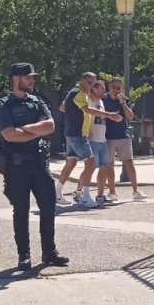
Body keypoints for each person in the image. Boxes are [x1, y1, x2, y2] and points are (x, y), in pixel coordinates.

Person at [0, 62, 70, 270]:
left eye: (32, 77)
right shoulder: (4, 105)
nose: (32, 80)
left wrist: (24, 129)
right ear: (16, 79)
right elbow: (9, 134)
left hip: (39, 164)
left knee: (48, 208)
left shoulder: (37, 102)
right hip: (16, 167)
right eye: (28, 77)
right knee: (21, 211)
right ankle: (24, 255)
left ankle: (49, 252)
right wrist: (36, 130)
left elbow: (51, 126)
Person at [100, 77, 148, 201]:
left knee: (129, 163)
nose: (116, 90)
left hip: (123, 136)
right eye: (114, 87)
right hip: (107, 137)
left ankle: (135, 191)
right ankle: (112, 193)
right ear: (109, 87)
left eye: (118, 88)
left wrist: (123, 103)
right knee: (110, 165)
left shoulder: (125, 100)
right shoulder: (103, 99)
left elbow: (130, 116)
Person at [54, 72, 96, 206]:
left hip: (72, 133)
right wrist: (109, 115)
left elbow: (62, 107)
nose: (91, 86)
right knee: (90, 163)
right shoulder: (78, 92)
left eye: (93, 84)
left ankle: (57, 193)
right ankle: (85, 196)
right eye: (90, 83)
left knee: (71, 164)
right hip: (77, 134)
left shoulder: (74, 92)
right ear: (82, 80)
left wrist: (73, 115)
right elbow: (88, 110)